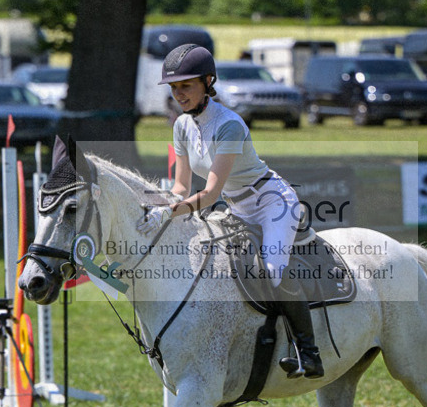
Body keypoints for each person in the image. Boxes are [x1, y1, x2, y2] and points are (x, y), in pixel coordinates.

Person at [136, 43, 325, 379]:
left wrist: (169, 213)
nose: (179, 94)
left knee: (271, 270)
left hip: (271, 202)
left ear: (208, 81)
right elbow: (181, 187)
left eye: (187, 86)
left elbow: (208, 195)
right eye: (175, 88)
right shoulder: (181, 126)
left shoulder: (229, 125)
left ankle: (309, 353)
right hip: (237, 204)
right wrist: (157, 203)